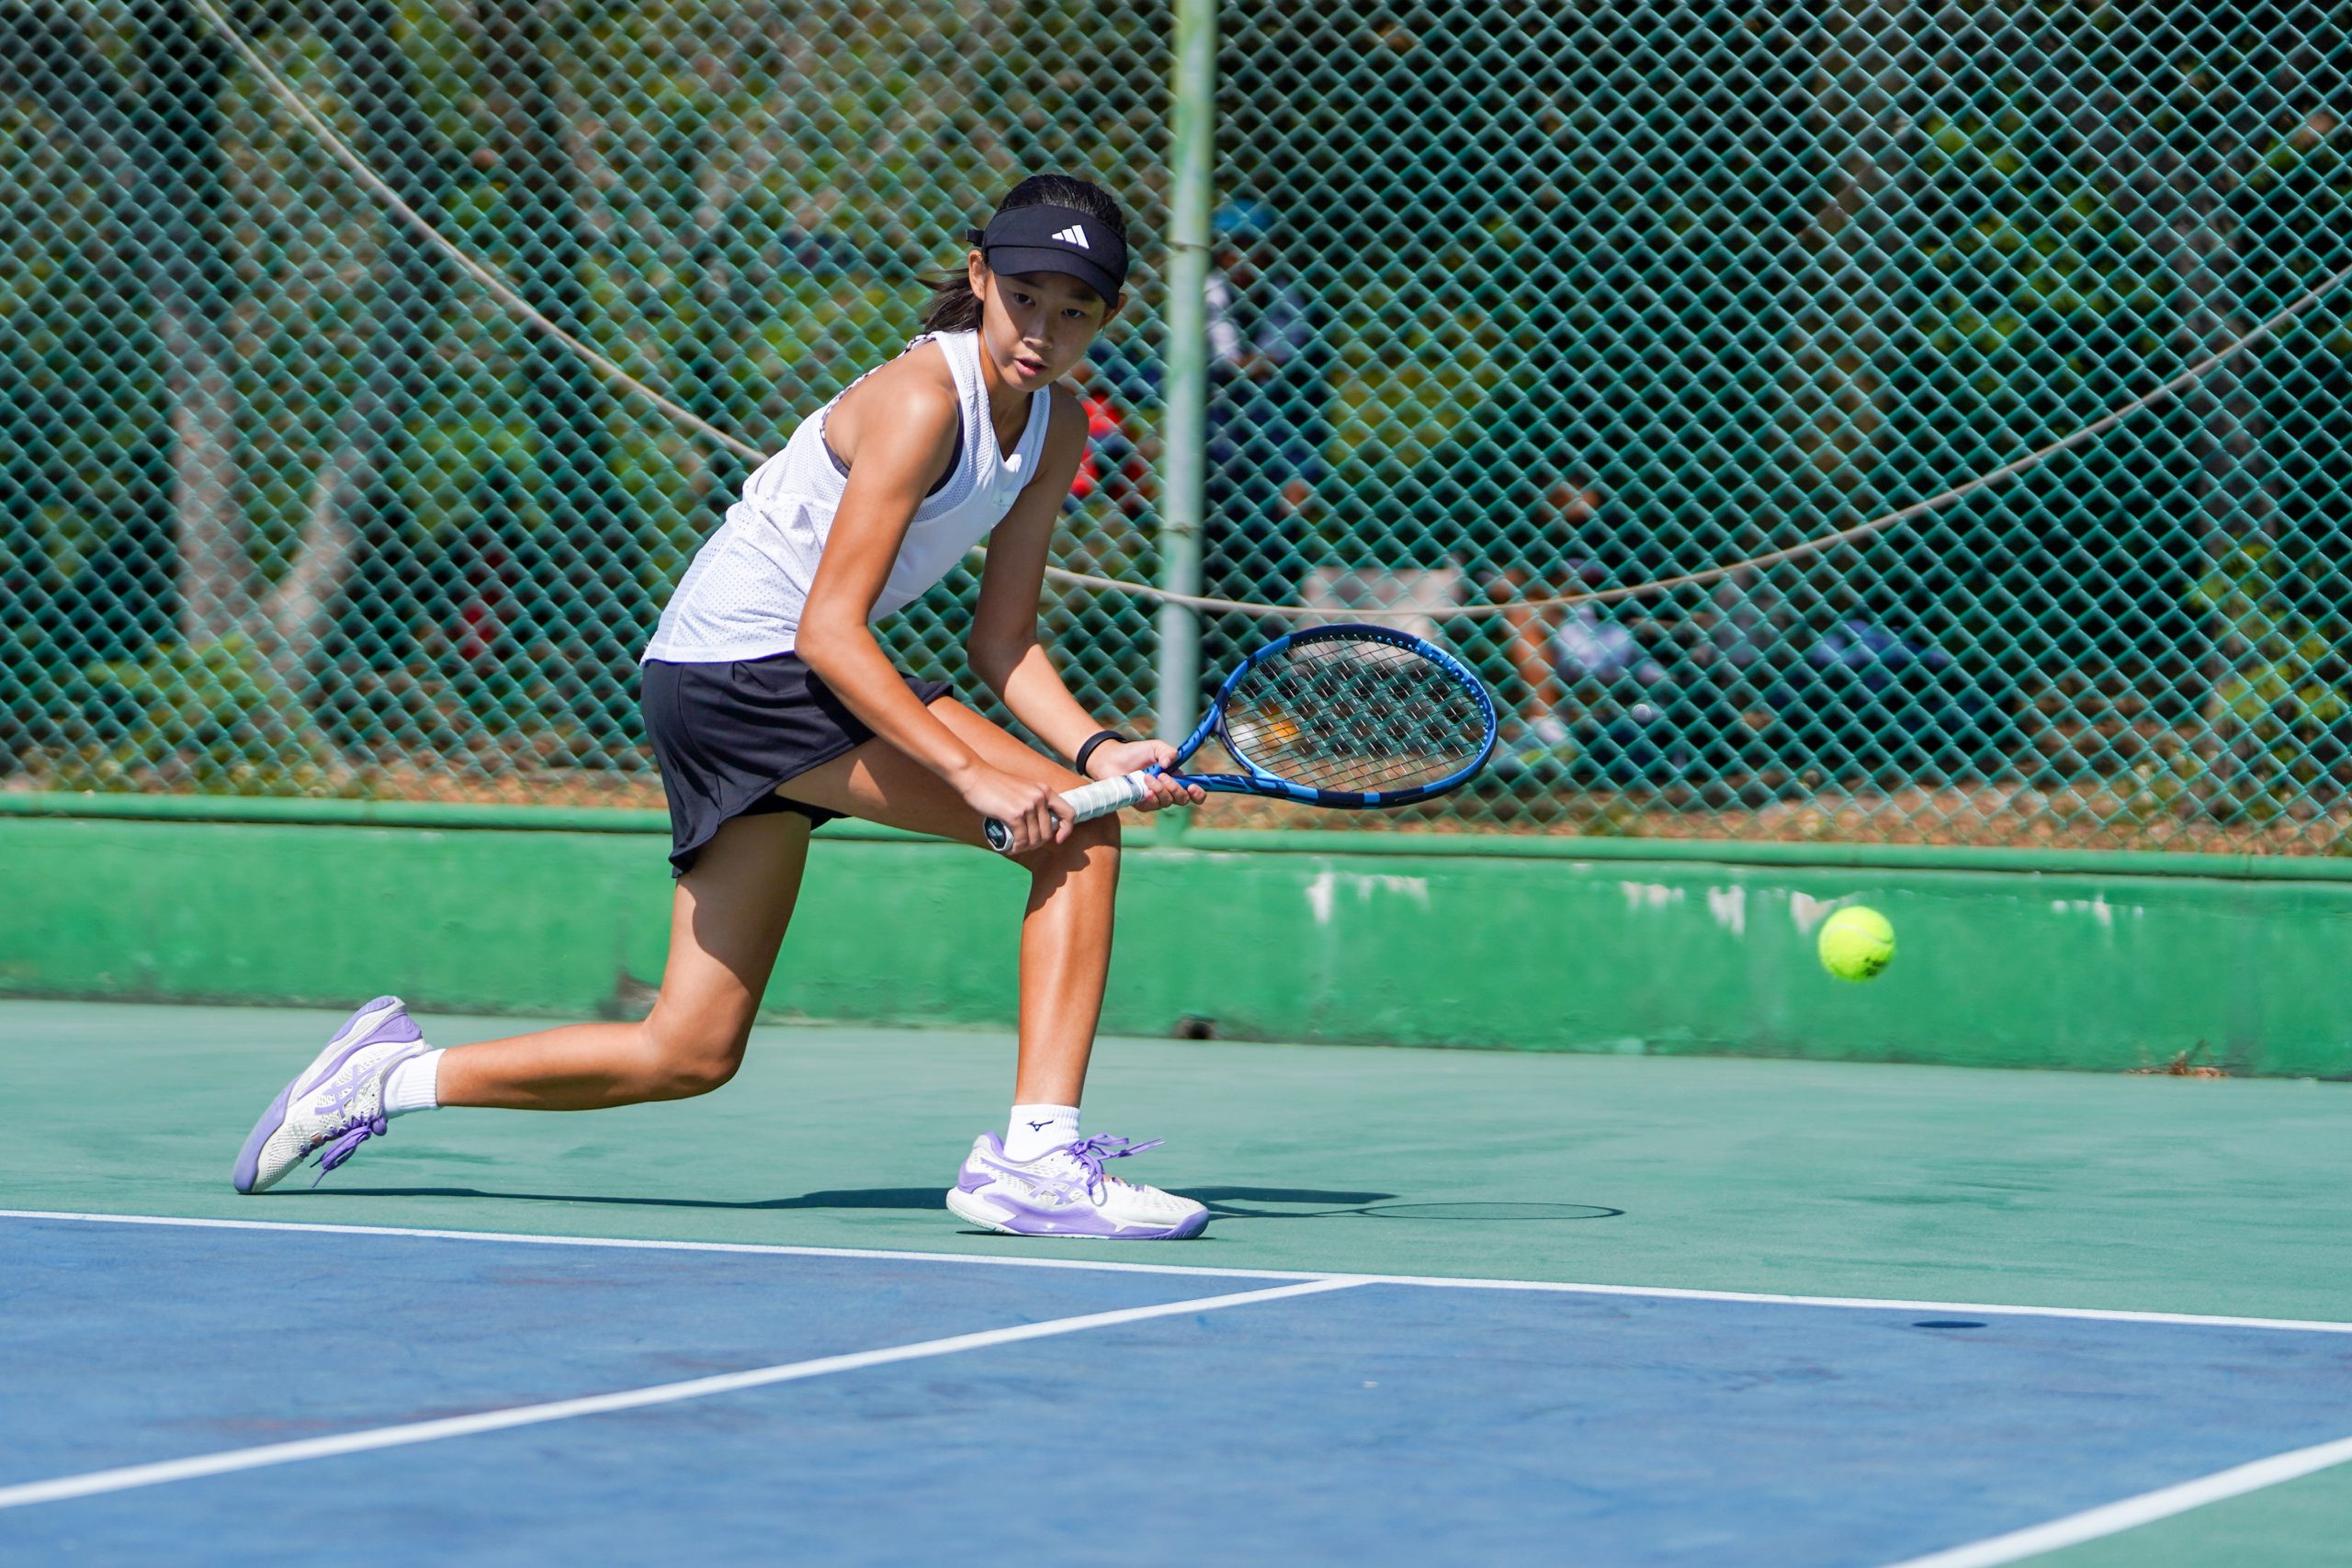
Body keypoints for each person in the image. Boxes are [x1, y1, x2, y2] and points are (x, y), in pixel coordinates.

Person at [229, 175, 1215, 1241]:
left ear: (1105, 319)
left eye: (1075, 311)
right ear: (979, 276)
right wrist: (988, 777)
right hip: (746, 673)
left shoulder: (1055, 424)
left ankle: (380, 1082)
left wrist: (1097, 741)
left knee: (687, 1051)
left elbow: (1003, 640)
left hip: (740, 678)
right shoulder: (921, 400)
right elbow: (828, 634)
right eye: (1025, 295)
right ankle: (1033, 1159)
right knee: (1078, 830)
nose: (1043, 330)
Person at [1201, 197, 1329, 683]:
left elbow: (1311, 401)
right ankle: (1208, 690)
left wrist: (1302, 473)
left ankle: (1271, 686)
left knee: (1274, 577)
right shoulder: (1202, 301)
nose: (1243, 260)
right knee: (1209, 576)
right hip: (1212, 464)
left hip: (1273, 468)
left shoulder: (1291, 304)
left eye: (1253, 248)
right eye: (1232, 249)